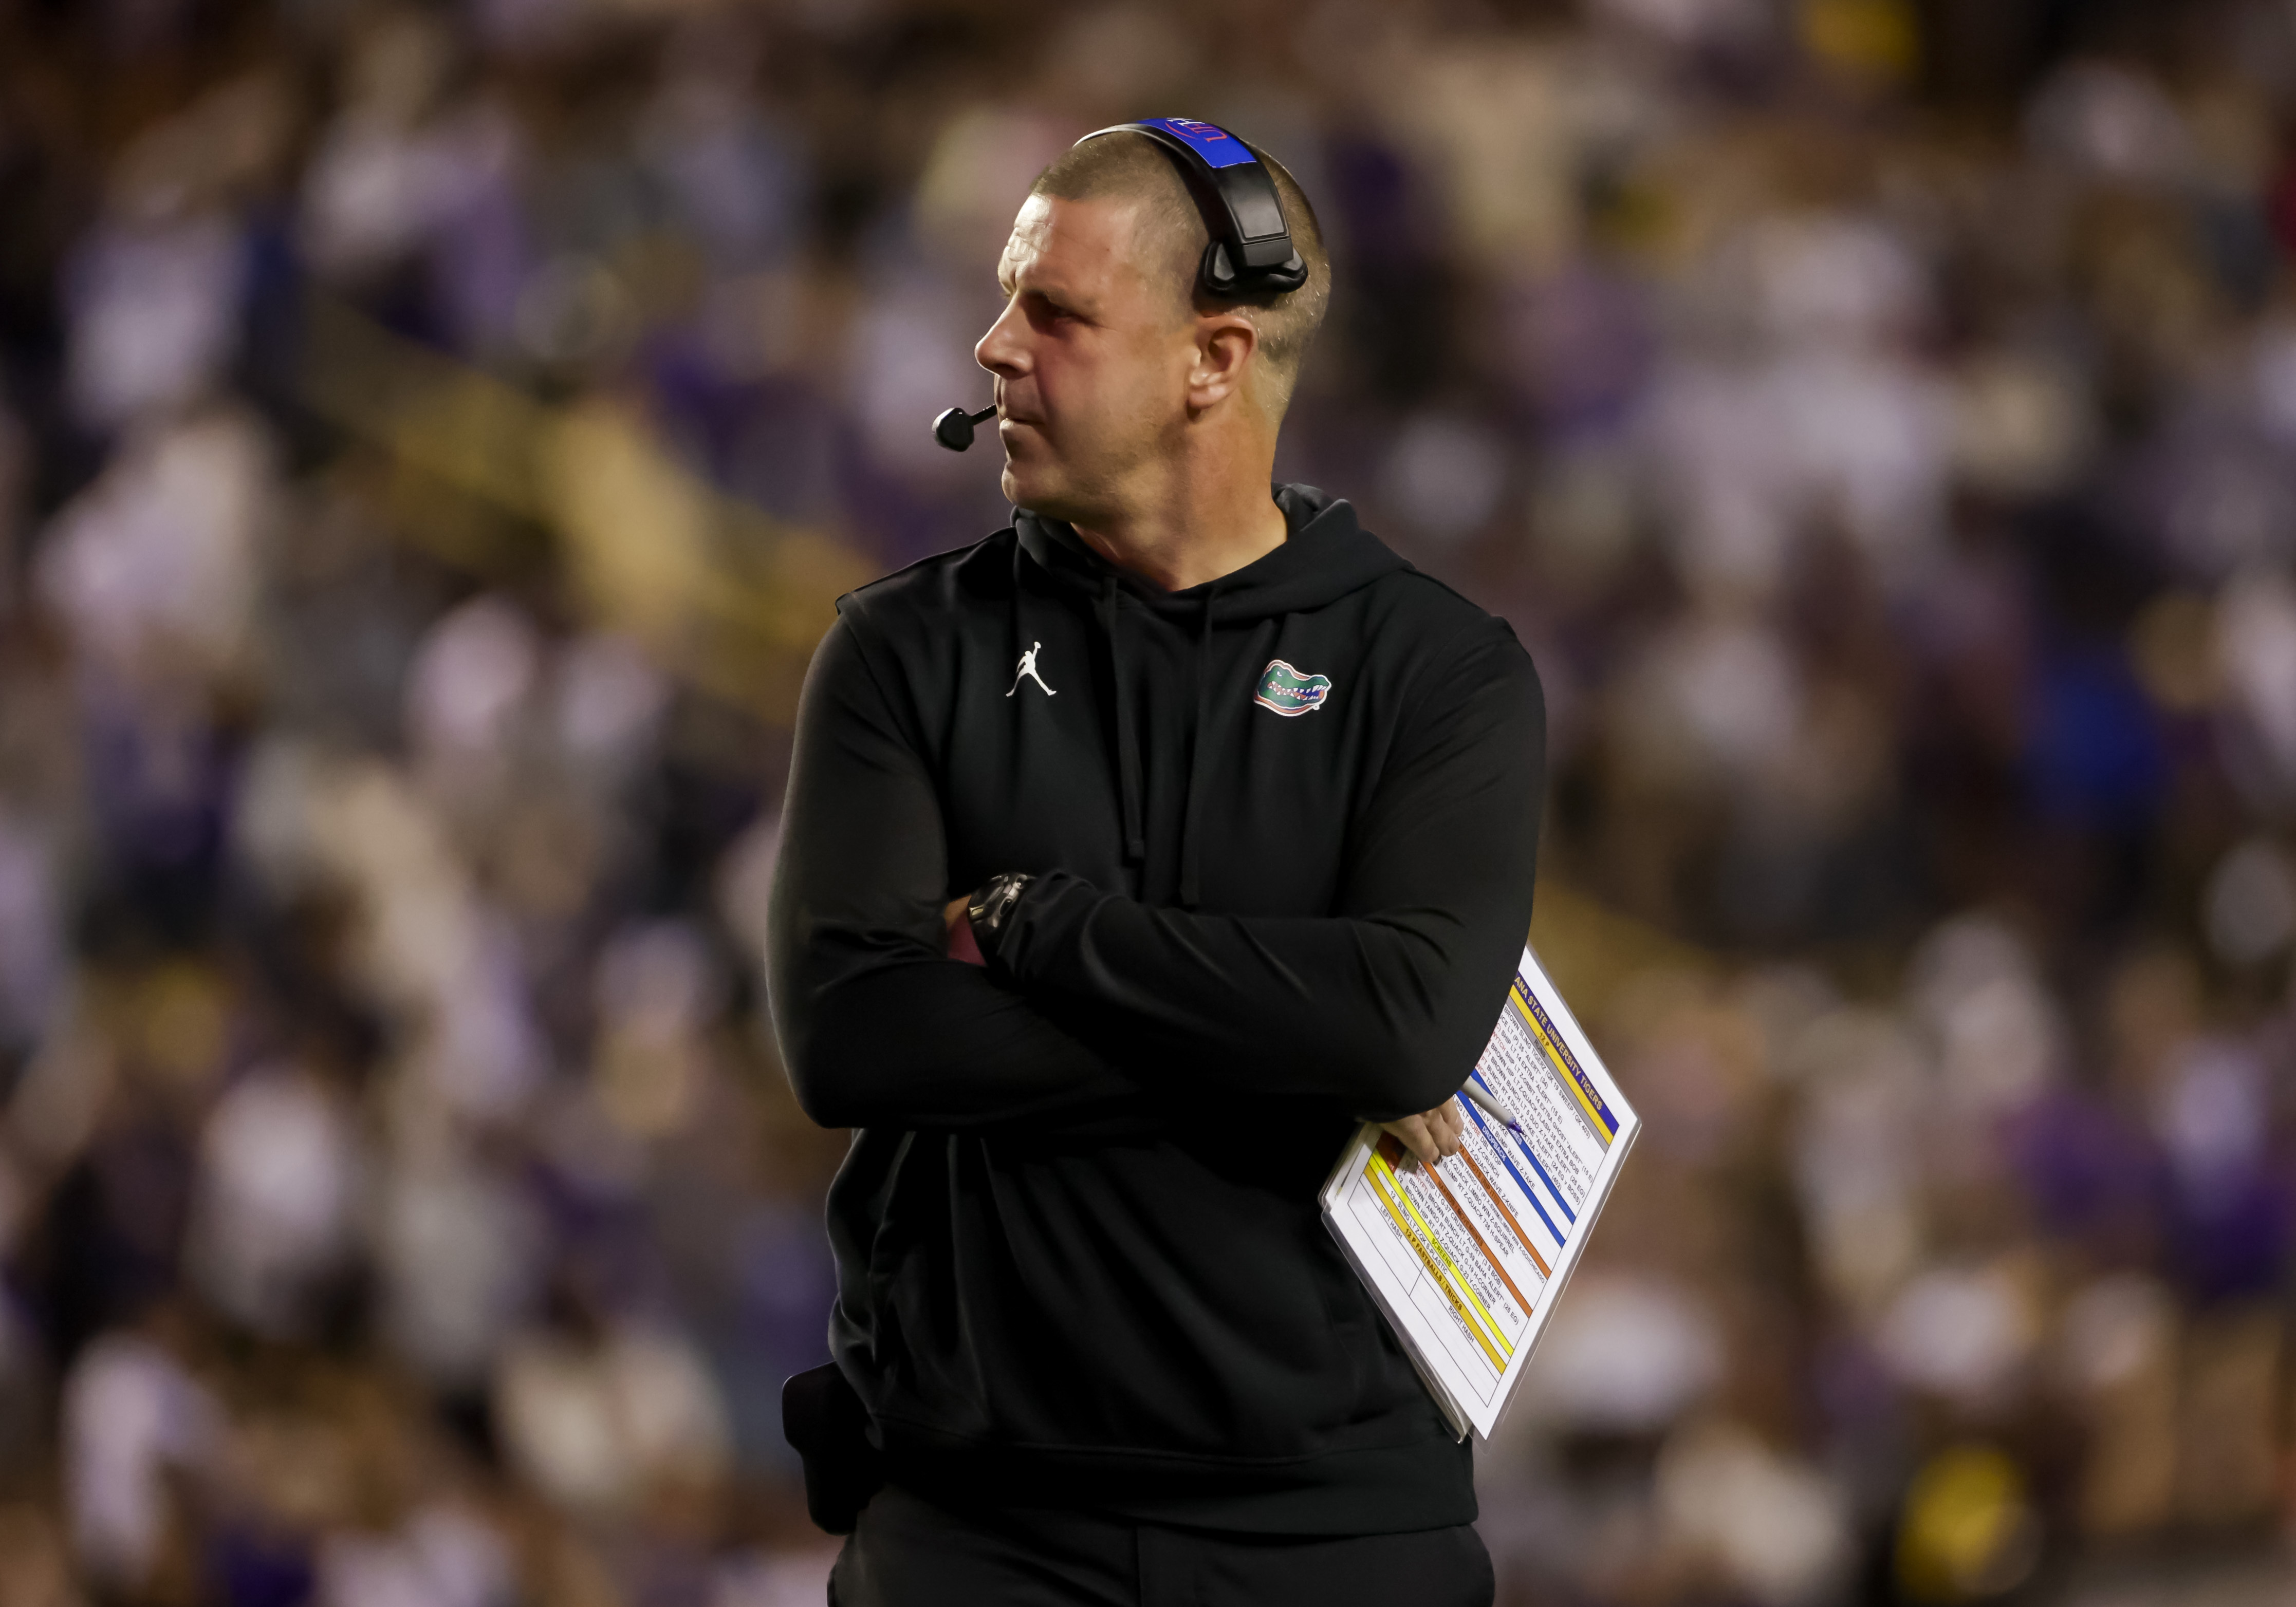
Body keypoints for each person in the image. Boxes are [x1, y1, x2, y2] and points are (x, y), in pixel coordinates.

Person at [767, 123, 1544, 1607]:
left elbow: (1408, 1022)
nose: (993, 347)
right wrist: (1298, 1034)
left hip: (1337, 1532)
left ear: (1213, 359)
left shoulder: (1438, 671)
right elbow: (854, 1037)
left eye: (1055, 314)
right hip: (979, 1524)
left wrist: (1038, 929)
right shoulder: (903, 648)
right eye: (1007, 301)